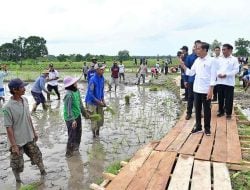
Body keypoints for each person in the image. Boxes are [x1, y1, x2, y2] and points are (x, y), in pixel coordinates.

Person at [3, 78, 46, 183]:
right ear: (15, 90)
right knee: (17, 164)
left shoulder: (25, 100)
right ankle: (18, 181)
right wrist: (13, 145)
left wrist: (34, 132)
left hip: (29, 136)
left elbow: (28, 117)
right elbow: (8, 127)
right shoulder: (7, 107)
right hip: (16, 141)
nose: (24, 89)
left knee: (37, 155)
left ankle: (43, 173)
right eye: (22, 87)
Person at [180, 42, 217, 136]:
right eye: (196, 48)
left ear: (205, 50)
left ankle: (207, 129)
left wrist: (211, 90)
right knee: (197, 109)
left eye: (198, 49)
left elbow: (213, 77)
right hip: (196, 89)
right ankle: (198, 127)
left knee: (207, 110)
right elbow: (191, 72)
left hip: (206, 90)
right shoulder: (197, 60)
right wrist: (183, 66)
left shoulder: (211, 61)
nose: (196, 50)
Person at [63, 76, 88, 158]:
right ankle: (69, 153)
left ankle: (76, 148)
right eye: (75, 83)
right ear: (71, 85)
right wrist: (72, 120)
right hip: (70, 118)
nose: (76, 83)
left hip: (77, 115)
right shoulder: (68, 95)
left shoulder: (77, 91)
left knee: (79, 132)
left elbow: (80, 103)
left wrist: (84, 112)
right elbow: (68, 109)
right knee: (72, 135)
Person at [216, 44, 239, 119]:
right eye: (222, 50)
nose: (223, 51)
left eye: (224, 49)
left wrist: (227, 75)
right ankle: (221, 111)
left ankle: (228, 113)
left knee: (229, 99)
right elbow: (215, 68)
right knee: (220, 98)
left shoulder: (234, 59)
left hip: (229, 82)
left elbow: (236, 70)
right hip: (219, 81)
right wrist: (218, 74)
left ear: (230, 50)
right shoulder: (219, 59)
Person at [85, 63, 106, 138]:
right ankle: (94, 135)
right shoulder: (92, 79)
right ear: (97, 70)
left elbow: (102, 90)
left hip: (99, 100)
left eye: (103, 69)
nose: (103, 70)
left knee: (100, 118)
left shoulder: (102, 78)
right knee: (94, 119)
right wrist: (98, 102)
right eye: (101, 69)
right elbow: (90, 93)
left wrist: (103, 100)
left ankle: (98, 133)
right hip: (91, 102)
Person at [183, 40, 200, 120]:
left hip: (200, 81)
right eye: (196, 47)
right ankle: (189, 113)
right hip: (191, 80)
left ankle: (199, 112)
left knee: (200, 98)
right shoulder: (189, 57)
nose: (198, 48)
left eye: (199, 47)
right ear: (194, 47)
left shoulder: (202, 57)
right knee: (190, 97)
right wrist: (185, 80)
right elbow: (186, 69)